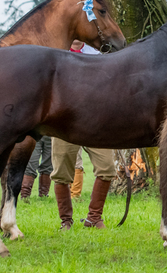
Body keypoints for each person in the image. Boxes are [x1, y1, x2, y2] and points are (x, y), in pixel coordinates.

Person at [50, 40, 118, 230]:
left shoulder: (97, 54)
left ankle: (94, 218)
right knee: (61, 173)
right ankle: (65, 221)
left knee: (107, 168)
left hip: (96, 119)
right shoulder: (56, 52)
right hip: (64, 121)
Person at [20, 136, 52, 201]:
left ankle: (43, 196)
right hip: (35, 133)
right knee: (31, 164)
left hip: (52, 133)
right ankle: (25, 196)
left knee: (48, 167)